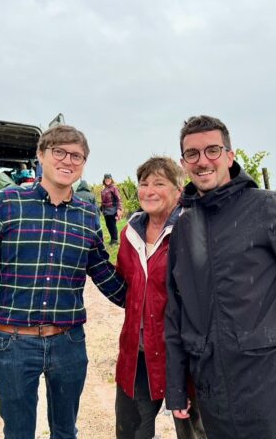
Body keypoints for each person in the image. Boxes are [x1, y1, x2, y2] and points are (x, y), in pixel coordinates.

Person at [164, 116, 276, 438]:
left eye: (212, 150)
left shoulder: (268, 209)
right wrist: (177, 387)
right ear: (183, 163)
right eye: (192, 154)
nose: (202, 161)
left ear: (230, 156)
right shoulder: (183, 228)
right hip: (215, 393)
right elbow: (176, 314)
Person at [0, 125, 127, 439]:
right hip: (14, 343)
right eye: (59, 151)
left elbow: (105, 275)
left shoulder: (88, 215)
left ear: (84, 164)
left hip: (69, 343)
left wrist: (154, 297)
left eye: (77, 156)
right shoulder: (8, 202)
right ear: (41, 155)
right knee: (18, 431)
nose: (68, 160)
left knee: (65, 431)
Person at [115, 156, 206, 439]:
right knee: (131, 431)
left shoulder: (193, 231)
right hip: (138, 354)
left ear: (179, 191)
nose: (149, 190)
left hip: (185, 357)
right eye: (144, 183)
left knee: (195, 432)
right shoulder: (130, 234)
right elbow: (123, 287)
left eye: (159, 183)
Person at [101, 173, 123, 245]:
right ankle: (112, 239)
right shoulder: (104, 189)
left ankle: (115, 240)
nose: (107, 180)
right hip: (106, 210)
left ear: (111, 179)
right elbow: (103, 201)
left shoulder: (114, 188)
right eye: (106, 179)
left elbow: (118, 199)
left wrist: (119, 208)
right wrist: (100, 208)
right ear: (104, 180)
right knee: (108, 225)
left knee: (112, 225)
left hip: (112, 209)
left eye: (109, 179)